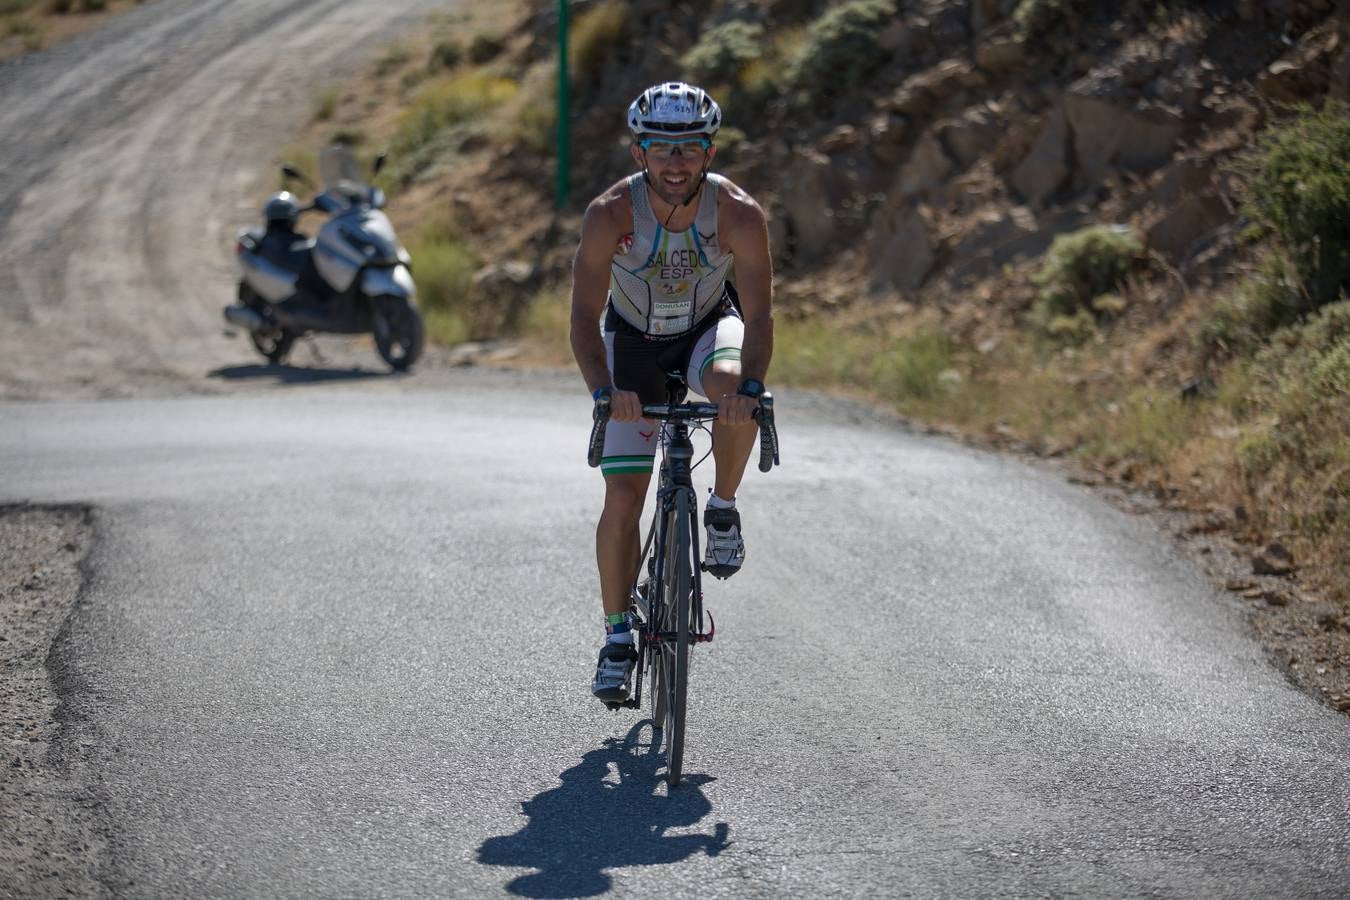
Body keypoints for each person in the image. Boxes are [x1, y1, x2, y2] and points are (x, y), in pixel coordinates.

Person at [569, 82, 775, 704]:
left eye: (689, 147)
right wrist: (605, 392)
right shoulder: (609, 215)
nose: (676, 161)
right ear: (640, 155)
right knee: (624, 498)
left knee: (732, 390)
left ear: (709, 151)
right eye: (662, 148)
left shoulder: (739, 214)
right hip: (630, 341)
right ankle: (616, 638)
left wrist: (754, 389)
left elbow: (761, 318)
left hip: (708, 328)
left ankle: (722, 507)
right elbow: (582, 317)